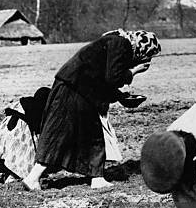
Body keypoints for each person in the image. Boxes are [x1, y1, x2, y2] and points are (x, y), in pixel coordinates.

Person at [22, 29, 161, 190]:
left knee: (74, 134)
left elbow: (102, 79)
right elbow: (113, 78)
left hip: (73, 87)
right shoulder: (122, 45)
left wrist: (122, 98)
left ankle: (94, 177)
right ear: (142, 50)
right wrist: (134, 71)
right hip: (76, 90)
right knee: (73, 135)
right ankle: (36, 178)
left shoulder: (116, 41)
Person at [0, 87, 51, 182]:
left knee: (8, 153)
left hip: (7, 129)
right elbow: (36, 127)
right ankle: (14, 176)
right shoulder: (37, 108)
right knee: (21, 155)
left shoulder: (26, 102)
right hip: (20, 132)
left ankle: (8, 173)